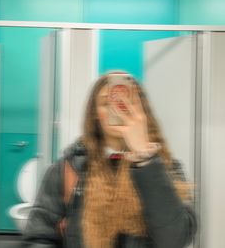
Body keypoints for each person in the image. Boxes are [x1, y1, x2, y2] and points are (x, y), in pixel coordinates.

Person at [22, 72, 197, 248]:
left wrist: (145, 158)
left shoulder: (166, 168)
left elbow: (176, 240)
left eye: (127, 101)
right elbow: (39, 238)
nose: (118, 108)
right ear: (95, 114)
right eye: (107, 103)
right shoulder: (67, 169)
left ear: (142, 111)